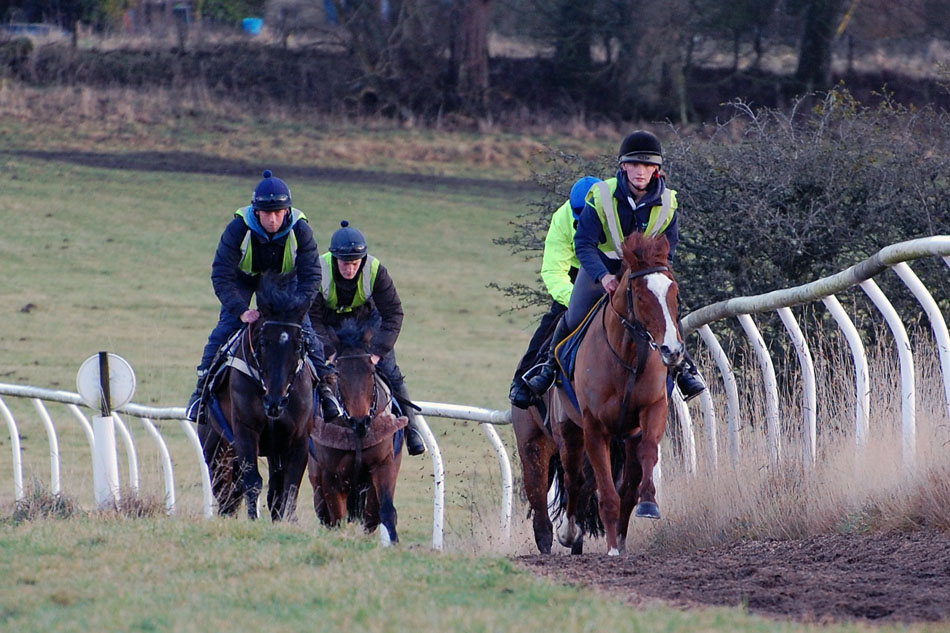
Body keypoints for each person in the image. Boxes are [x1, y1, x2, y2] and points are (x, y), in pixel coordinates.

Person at [524, 130, 706, 400]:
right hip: (603, 268)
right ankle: (549, 367)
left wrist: (660, 274)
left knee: (666, 308)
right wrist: (603, 276)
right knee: (574, 313)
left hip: (644, 271)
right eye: (634, 164)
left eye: (647, 165)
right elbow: (584, 243)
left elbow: (671, 247)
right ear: (623, 166)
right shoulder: (601, 195)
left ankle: (684, 370)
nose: (640, 171)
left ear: (657, 169)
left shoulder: (670, 201)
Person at [185, 170, 340, 422]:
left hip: (286, 281)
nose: (273, 219)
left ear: (287, 211)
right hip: (244, 280)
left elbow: (312, 275)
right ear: (256, 212)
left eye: (278, 213)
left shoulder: (300, 229)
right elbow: (221, 274)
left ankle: (325, 388)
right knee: (226, 328)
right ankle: (200, 392)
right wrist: (240, 310)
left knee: (307, 334)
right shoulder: (238, 228)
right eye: (267, 213)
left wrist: (300, 309)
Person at [309, 220, 427, 456]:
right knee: (311, 371)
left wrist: (377, 352)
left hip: (367, 326)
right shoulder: (318, 270)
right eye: (344, 263)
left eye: (354, 264)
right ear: (334, 259)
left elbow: (393, 313)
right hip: (330, 328)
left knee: (391, 372)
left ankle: (413, 429)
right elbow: (311, 316)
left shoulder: (376, 270)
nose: (350, 269)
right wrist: (328, 351)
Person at [508, 176, 602, 409]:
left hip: (612, 271)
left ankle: (684, 369)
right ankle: (525, 378)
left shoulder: (617, 210)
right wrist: (578, 301)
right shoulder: (562, 218)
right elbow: (554, 270)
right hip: (575, 276)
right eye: (579, 219)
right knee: (552, 322)